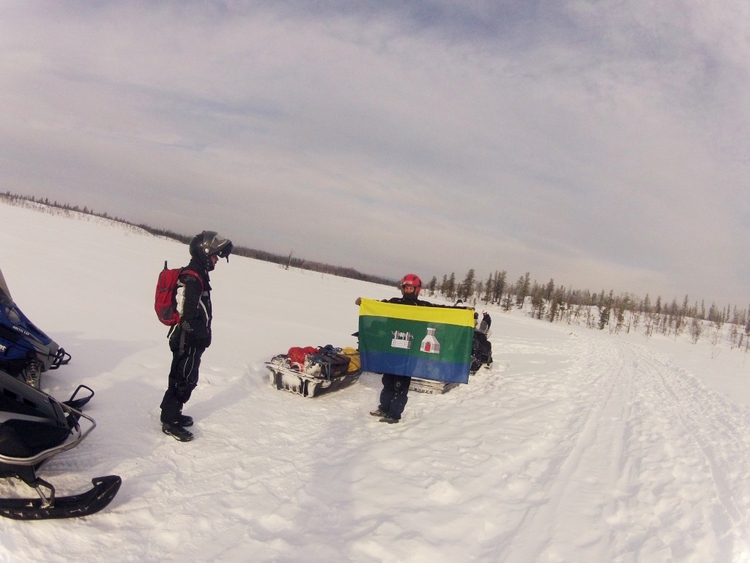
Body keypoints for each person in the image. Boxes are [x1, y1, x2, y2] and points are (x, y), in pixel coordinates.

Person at [159, 230, 232, 442]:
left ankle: (172, 412)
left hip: (190, 341)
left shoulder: (199, 273)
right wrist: (201, 335)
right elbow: (187, 316)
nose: (216, 260)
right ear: (203, 253)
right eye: (214, 256)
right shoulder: (192, 278)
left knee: (185, 377)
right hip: (186, 340)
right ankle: (169, 421)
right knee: (182, 380)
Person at [358, 273, 438, 424]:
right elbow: (379, 306)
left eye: (410, 288)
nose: (408, 290)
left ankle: (394, 414)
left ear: (416, 290)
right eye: (405, 287)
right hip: (393, 349)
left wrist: (463, 311)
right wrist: (364, 303)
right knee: (388, 380)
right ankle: (384, 407)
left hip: (410, 352)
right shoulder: (394, 303)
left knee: (401, 383)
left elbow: (442, 311)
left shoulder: (423, 307)